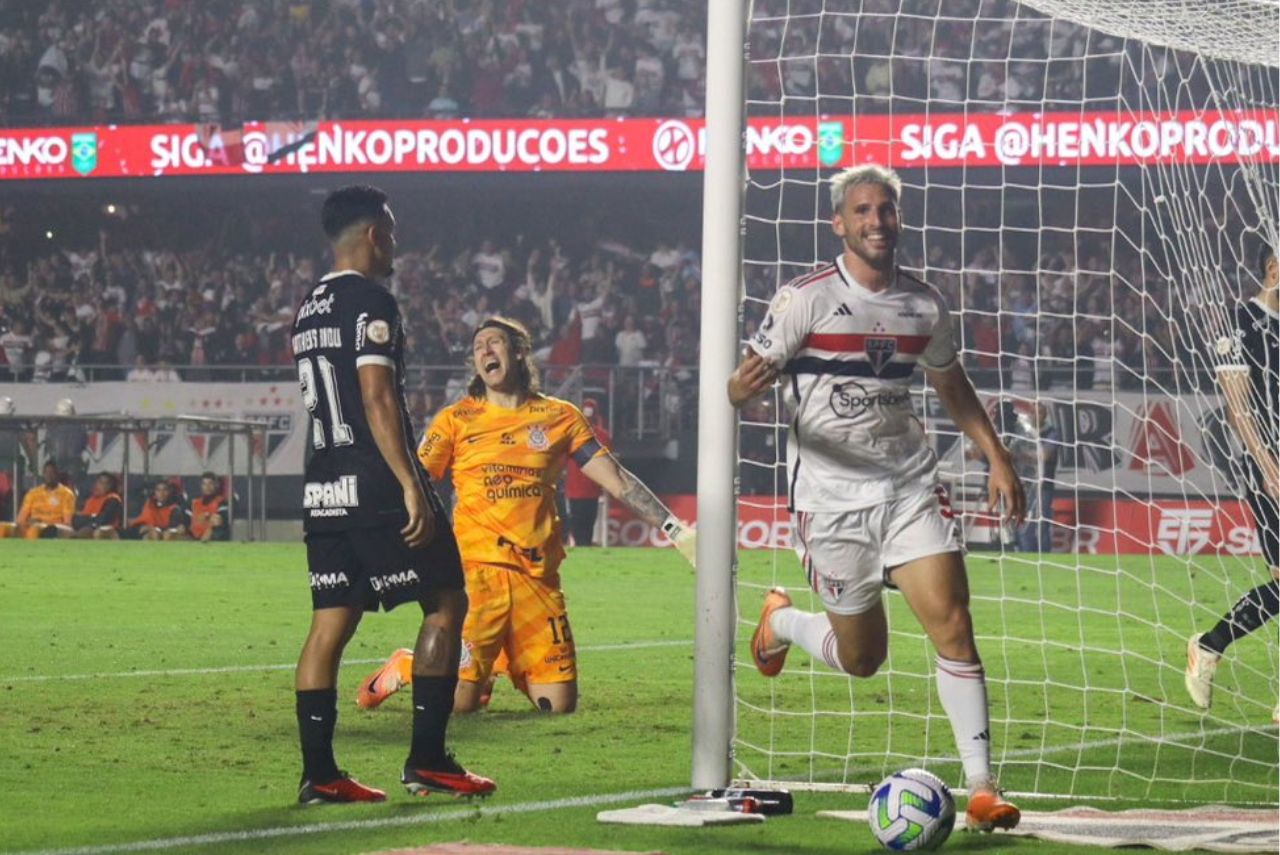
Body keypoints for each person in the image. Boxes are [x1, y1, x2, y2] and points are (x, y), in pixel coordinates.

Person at [727, 164, 1025, 831]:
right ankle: (781, 622)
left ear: (898, 218)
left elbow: (951, 385)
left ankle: (981, 785)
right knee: (863, 658)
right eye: (862, 211)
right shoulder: (803, 299)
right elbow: (743, 384)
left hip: (908, 485)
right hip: (831, 502)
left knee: (953, 622)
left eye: (885, 210)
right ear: (840, 223)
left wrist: (997, 454)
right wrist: (740, 392)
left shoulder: (924, 304)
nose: (876, 222)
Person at [356, 316, 696, 717]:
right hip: (476, 576)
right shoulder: (456, 420)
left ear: (518, 352)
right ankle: (407, 666)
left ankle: (489, 667)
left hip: (538, 580)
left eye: (495, 342)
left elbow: (617, 479)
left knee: (558, 705)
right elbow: (411, 480)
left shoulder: (560, 417)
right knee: (459, 705)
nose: (485, 351)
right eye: (478, 346)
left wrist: (677, 530)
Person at [290, 184, 493, 806]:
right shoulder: (371, 301)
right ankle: (428, 760)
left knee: (330, 623)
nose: (396, 243)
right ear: (375, 234)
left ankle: (319, 774)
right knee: (445, 602)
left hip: (324, 484)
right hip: (376, 484)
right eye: (393, 231)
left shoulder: (309, 306)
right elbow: (376, 394)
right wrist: (411, 483)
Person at [1187, 244, 1279, 723]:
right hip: (1267, 467)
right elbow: (1238, 407)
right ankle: (1209, 645)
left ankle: (1210, 645)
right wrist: (1267, 465)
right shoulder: (1237, 324)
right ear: (1272, 268)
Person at [564, 397, 612, 547]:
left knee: (582, 524)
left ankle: (582, 548)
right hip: (583, 488)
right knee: (585, 524)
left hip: (584, 488)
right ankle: (583, 547)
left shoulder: (572, 434)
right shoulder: (602, 435)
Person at [0, 460, 75, 538]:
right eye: (47, 472)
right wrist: (29, 522)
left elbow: (67, 523)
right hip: (31, 525)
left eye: (52, 473)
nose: (49, 475)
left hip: (53, 528)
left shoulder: (67, 494)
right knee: (2, 528)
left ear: (57, 475)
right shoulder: (33, 493)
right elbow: (20, 520)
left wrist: (42, 524)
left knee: (34, 530)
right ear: (43, 474)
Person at [59, 472, 123, 538]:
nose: (98, 485)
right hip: (85, 527)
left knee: (87, 532)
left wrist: (89, 520)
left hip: (104, 531)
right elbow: (77, 519)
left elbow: (104, 519)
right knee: (62, 531)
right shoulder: (90, 500)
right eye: (98, 482)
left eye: (103, 483)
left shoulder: (113, 499)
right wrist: (91, 518)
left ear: (110, 487)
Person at [119, 480, 187, 540]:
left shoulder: (175, 508)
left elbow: (174, 528)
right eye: (158, 490)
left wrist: (155, 529)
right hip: (145, 532)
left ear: (169, 492)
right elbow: (140, 523)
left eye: (165, 490)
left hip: (165, 534)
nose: (161, 493)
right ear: (155, 492)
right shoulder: (148, 503)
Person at [186, 471, 230, 542]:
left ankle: (202, 546)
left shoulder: (222, 502)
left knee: (216, 523)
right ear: (201, 486)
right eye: (204, 484)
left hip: (211, 536)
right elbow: (185, 521)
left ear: (216, 485)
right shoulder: (194, 502)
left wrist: (208, 517)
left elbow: (220, 520)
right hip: (193, 536)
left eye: (210, 483)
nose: (207, 487)